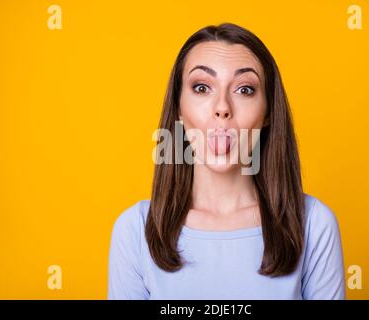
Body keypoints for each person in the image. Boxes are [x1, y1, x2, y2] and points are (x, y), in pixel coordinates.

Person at [108, 23, 345, 299]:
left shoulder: (314, 224)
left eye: (244, 90)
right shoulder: (134, 230)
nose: (222, 108)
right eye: (201, 87)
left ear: (268, 111)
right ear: (179, 110)